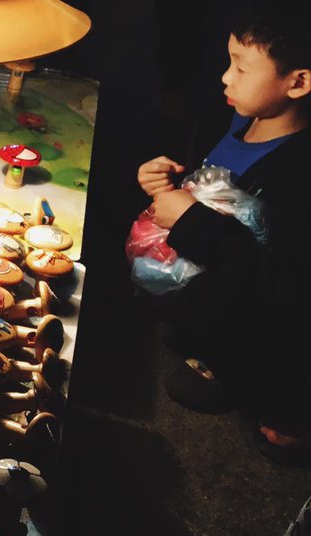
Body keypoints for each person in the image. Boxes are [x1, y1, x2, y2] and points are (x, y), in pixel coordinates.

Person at [136, 0, 311, 467]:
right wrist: (168, 185)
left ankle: (275, 401)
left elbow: (282, 282)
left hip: (261, 312)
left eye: (241, 68)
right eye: (228, 62)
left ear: (299, 81)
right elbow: (212, 186)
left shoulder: (296, 176)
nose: (225, 79)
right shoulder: (239, 116)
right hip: (209, 281)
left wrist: (190, 221)